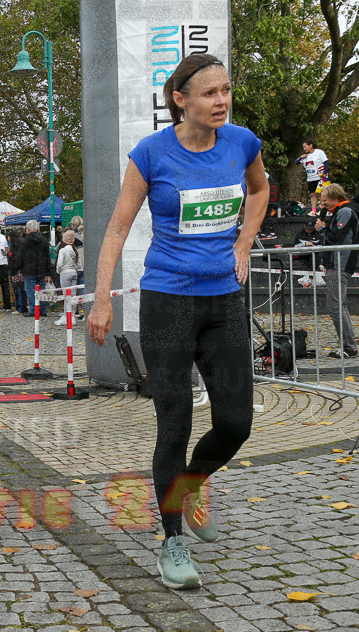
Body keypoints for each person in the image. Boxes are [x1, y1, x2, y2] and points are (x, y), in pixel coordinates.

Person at [87, 53, 267, 591]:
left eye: (226, 90)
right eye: (210, 93)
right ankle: (172, 542)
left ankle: (190, 485)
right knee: (176, 421)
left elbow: (258, 191)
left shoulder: (242, 143)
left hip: (223, 301)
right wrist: (101, 299)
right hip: (168, 301)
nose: (221, 101)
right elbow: (119, 228)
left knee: (236, 421)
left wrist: (244, 240)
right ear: (179, 99)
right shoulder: (150, 154)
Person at [314, 184, 359, 358]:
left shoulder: (345, 211)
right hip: (336, 264)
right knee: (339, 305)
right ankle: (349, 346)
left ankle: (349, 347)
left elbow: (335, 237)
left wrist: (322, 229)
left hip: (339, 264)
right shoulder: (340, 210)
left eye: (324, 200)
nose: (322, 204)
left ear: (335, 198)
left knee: (335, 307)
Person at [13, 220, 52, 317]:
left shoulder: (25, 242)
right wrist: (48, 271)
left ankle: (34, 310)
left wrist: (14, 270)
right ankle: (42, 310)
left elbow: (19, 257)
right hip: (41, 269)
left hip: (28, 269)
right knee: (41, 290)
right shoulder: (44, 241)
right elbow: (48, 256)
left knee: (31, 291)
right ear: (37, 228)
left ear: (28, 229)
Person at [54, 230, 81, 325]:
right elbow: (79, 264)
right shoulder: (74, 250)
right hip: (74, 272)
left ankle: (66, 316)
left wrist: (58, 271)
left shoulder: (62, 250)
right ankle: (72, 316)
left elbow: (59, 264)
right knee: (73, 296)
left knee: (66, 296)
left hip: (65, 273)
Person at [296, 139, 329, 214]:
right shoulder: (305, 156)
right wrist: (301, 157)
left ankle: (323, 209)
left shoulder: (319, 152)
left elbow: (326, 162)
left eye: (305, 147)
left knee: (321, 194)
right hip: (311, 178)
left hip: (320, 177)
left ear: (311, 145)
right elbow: (296, 162)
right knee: (312, 194)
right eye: (303, 148)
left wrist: (325, 172)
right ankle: (313, 210)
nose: (304, 149)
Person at [7, 231, 26, 314]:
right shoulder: (22, 245)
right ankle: (22, 306)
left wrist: (13, 273)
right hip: (22, 271)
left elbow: (14, 261)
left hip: (17, 272)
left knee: (18, 290)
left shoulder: (14, 249)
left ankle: (20, 307)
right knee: (23, 290)